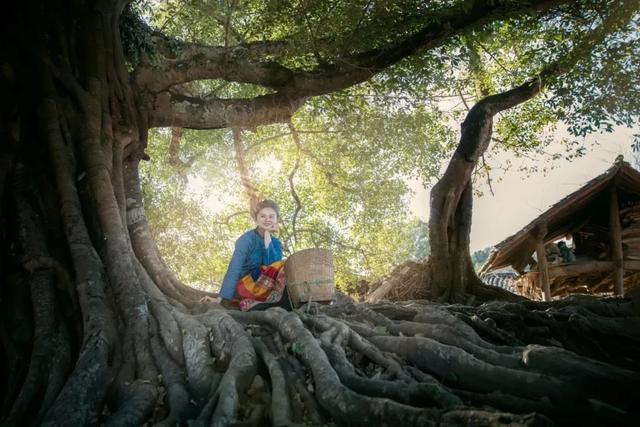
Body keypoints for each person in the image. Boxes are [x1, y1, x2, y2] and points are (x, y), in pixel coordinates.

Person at [202, 199, 291, 311]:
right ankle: (258, 301)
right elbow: (234, 268)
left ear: (277, 219)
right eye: (263, 216)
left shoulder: (276, 243)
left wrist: (267, 236)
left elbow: (272, 266)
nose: (267, 219)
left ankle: (277, 301)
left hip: (267, 285)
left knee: (286, 264)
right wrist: (220, 299)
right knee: (281, 265)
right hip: (245, 285)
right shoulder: (246, 240)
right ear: (256, 219)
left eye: (271, 216)